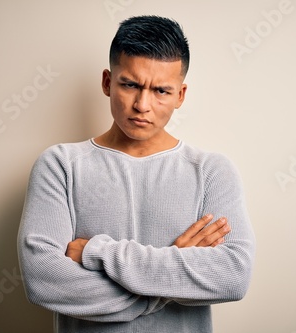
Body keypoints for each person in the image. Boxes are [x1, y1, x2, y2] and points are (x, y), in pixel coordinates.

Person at [18, 15, 255, 333]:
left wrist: (96, 251)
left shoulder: (212, 171)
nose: (143, 104)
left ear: (180, 95)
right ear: (107, 82)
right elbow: (43, 280)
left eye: (161, 91)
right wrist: (169, 280)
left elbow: (233, 276)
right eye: (130, 85)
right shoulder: (59, 166)